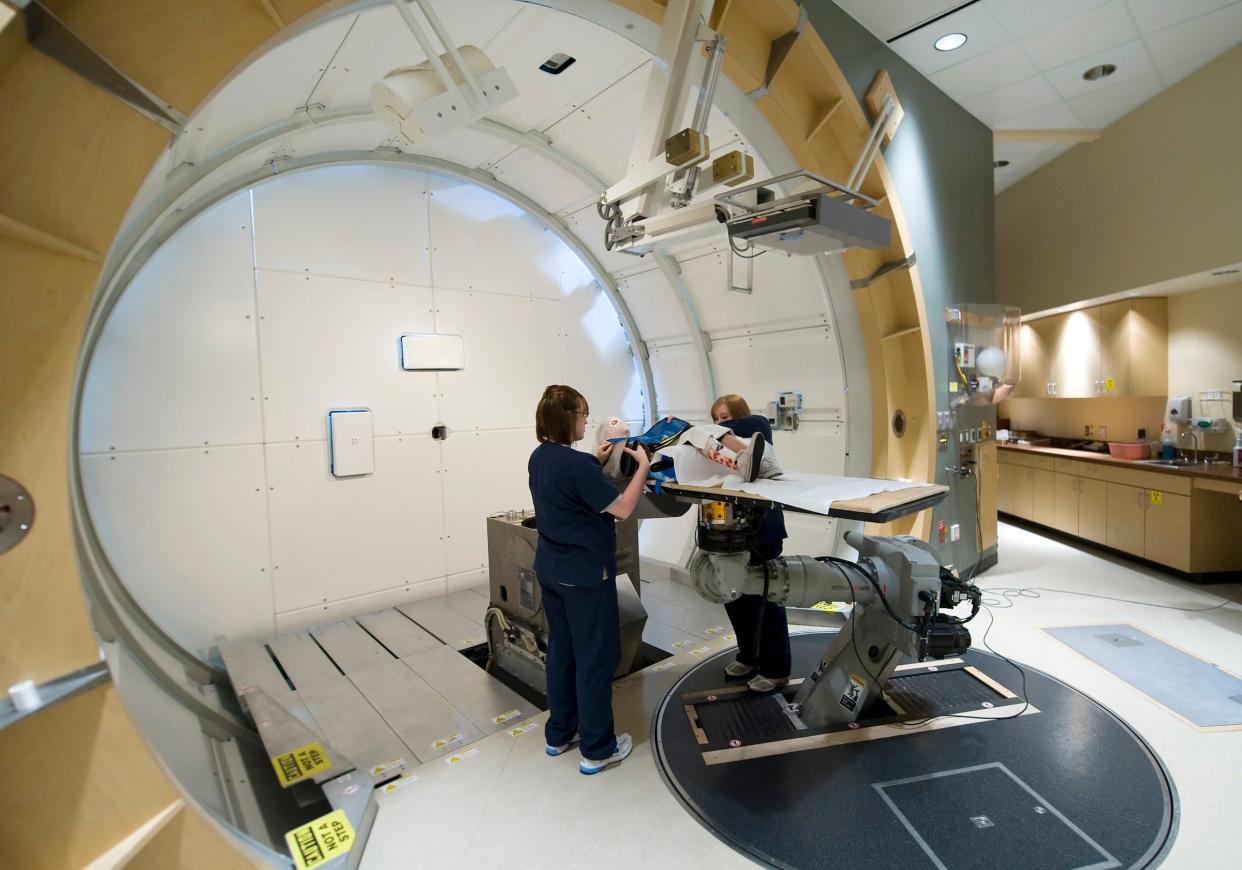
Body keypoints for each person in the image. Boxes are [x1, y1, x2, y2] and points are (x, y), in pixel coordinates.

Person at [528, 385, 651, 774]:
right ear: (568, 418)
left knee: (562, 653)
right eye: (583, 414)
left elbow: (571, 492)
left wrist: (595, 465)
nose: (586, 420)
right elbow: (625, 508)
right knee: (596, 659)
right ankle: (598, 749)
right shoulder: (578, 465)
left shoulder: (540, 457)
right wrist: (643, 468)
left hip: (551, 570)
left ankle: (559, 734)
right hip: (585, 576)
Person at [711, 393, 792, 692]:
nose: (720, 424)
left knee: (767, 600)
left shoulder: (757, 431)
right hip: (729, 533)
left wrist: (710, 432)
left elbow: (755, 425)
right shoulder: (719, 451)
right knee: (735, 598)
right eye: (716, 419)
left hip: (762, 533)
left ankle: (776, 669)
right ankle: (749, 655)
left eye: (725, 417)